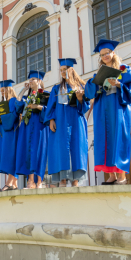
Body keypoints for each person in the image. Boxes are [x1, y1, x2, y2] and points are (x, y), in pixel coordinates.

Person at [85, 39, 131, 185]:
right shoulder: (98, 73)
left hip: (117, 106)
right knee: (104, 138)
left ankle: (121, 176)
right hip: (102, 108)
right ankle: (111, 175)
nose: (105, 56)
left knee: (117, 137)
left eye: (107, 53)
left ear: (113, 53)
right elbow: (90, 92)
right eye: (102, 55)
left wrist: (119, 84)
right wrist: (95, 83)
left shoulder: (124, 69)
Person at [44, 58, 89, 187]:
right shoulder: (57, 88)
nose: (63, 72)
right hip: (61, 122)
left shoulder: (81, 87)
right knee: (61, 149)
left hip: (76, 121)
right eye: (61, 70)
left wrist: (80, 98)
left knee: (76, 147)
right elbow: (50, 106)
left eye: (65, 70)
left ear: (71, 70)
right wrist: (51, 119)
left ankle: (75, 181)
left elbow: (85, 108)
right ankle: (62, 180)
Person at [15, 71, 50, 189]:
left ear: (39, 81)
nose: (30, 81)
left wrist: (38, 107)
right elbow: (17, 106)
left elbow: (50, 110)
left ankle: (39, 181)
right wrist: (23, 91)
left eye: (33, 79)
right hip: (27, 127)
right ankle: (30, 181)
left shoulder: (46, 94)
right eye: (29, 80)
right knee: (28, 151)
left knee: (39, 151)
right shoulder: (26, 98)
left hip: (40, 126)